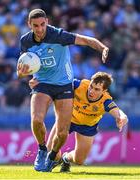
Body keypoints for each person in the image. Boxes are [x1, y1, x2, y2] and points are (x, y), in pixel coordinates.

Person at [17, 9, 109, 172]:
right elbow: (22, 67)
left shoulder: (59, 36)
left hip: (64, 86)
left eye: (42, 24)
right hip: (42, 84)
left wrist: (102, 48)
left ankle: (52, 158)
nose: (39, 29)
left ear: (47, 21)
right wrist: (25, 76)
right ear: (29, 25)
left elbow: (86, 40)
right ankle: (42, 149)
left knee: (63, 132)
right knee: (37, 120)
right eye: (35, 26)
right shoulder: (25, 41)